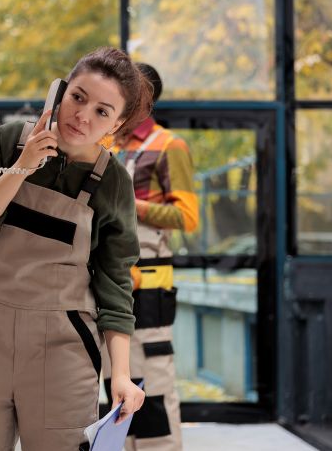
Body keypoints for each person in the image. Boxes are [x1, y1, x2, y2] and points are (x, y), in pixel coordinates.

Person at [0, 47, 150, 451]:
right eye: (78, 97)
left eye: (103, 111)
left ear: (119, 122)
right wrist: (21, 167)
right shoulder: (10, 141)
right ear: (60, 91)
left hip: (62, 344)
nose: (83, 116)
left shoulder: (112, 183)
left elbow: (114, 281)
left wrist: (121, 374)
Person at [102, 63, 198, 451]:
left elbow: (187, 218)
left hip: (149, 291)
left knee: (153, 389)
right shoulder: (104, 144)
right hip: (109, 282)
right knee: (111, 386)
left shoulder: (169, 146)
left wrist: (132, 205)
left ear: (145, 99)